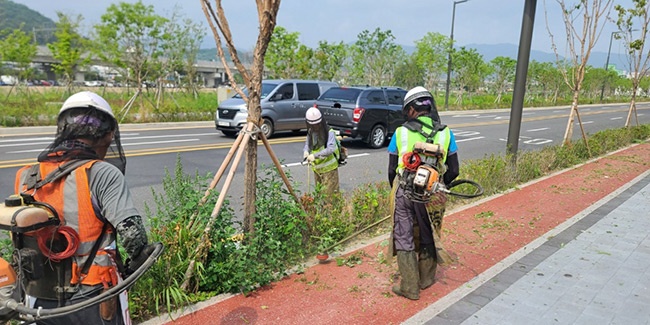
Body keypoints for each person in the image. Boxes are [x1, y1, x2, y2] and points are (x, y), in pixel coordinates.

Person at [13, 91, 152, 324]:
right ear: (106, 134)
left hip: (38, 296)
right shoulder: (100, 172)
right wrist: (140, 257)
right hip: (91, 298)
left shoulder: (26, 175)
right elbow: (133, 235)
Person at [387, 86, 459, 300]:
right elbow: (454, 170)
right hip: (433, 193)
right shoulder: (446, 133)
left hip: (405, 190)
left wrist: (397, 190)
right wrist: (439, 184)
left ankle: (409, 286)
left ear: (410, 110)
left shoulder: (401, 133)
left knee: (403, 235)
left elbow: (392, 170)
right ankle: (426, 279)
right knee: (429, 233)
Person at [303, 106, 340, 196]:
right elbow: (308, 144)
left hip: (329, 170)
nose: (315, 126)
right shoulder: (311, 132)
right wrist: (306, 151)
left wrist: (314, 156)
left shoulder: (329, 132)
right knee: (320, 195)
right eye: (313, 125)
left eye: (317, 124)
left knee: (330, 197)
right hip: (318, 170)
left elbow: (330, 149)